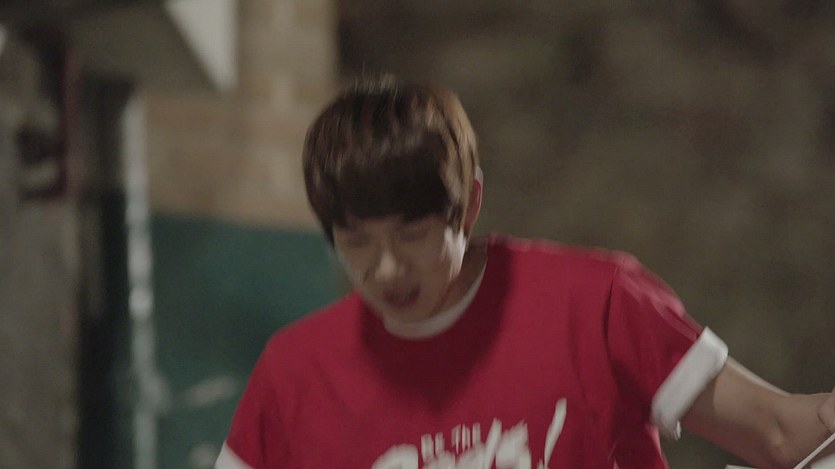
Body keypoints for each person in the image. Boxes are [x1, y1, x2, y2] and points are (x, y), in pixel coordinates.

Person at [215, 76, 835, 469]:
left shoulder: (596, 304)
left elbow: (781, 433)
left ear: (469, 205)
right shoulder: (293, 376)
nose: (387, 267)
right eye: (356, 242)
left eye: (413, 234)